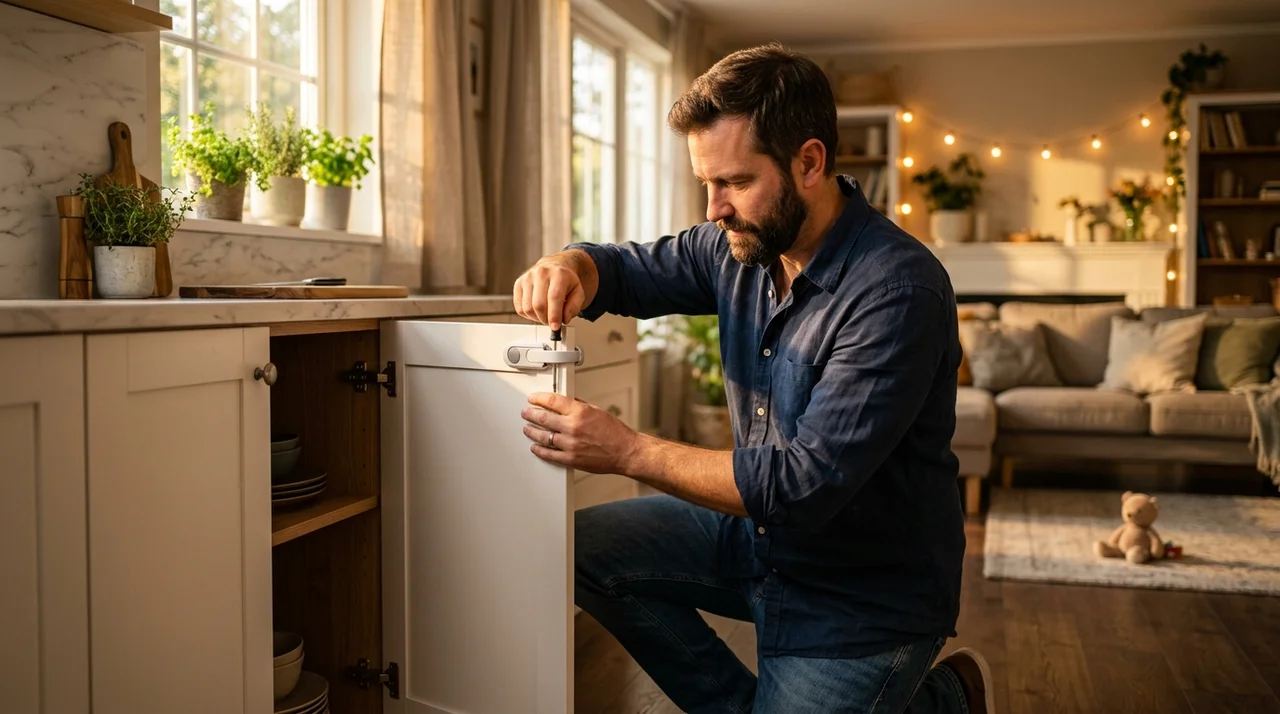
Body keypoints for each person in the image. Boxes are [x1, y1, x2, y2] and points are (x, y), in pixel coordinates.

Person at [513, 42, 993, 714]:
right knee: (580, 549)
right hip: (759, 542)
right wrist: (567, 265)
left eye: (735, 183)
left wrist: (626, 451)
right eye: (707, 184)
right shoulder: (735, 246)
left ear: (810, 162)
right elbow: (616, 268)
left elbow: (802, 486)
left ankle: (943, 699)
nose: (715, 208)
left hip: (862, 594)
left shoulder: (898, 289)